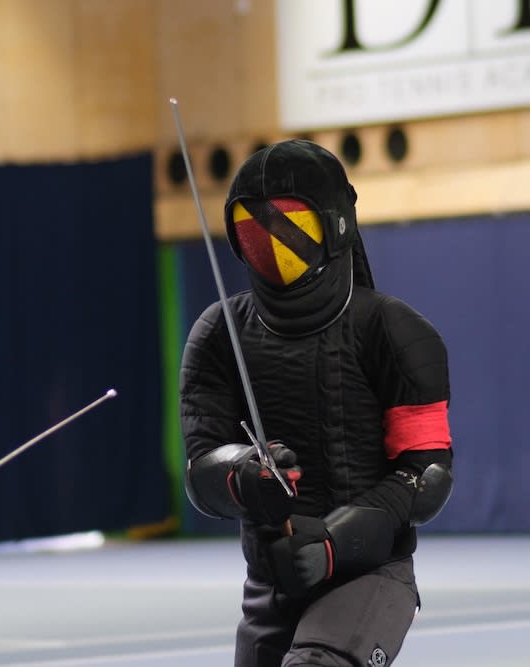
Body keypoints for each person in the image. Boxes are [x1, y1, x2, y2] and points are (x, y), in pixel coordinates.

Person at [180, 139, 453, 667]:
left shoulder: (395, 333)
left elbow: (427, 476)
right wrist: (242, 475)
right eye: (255, 228)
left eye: (288, 224)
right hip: (271, 583)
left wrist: (338, 539)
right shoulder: (220, 333)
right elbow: (201, 469)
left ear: (334, 227)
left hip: (368, 575)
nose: (272, 242)